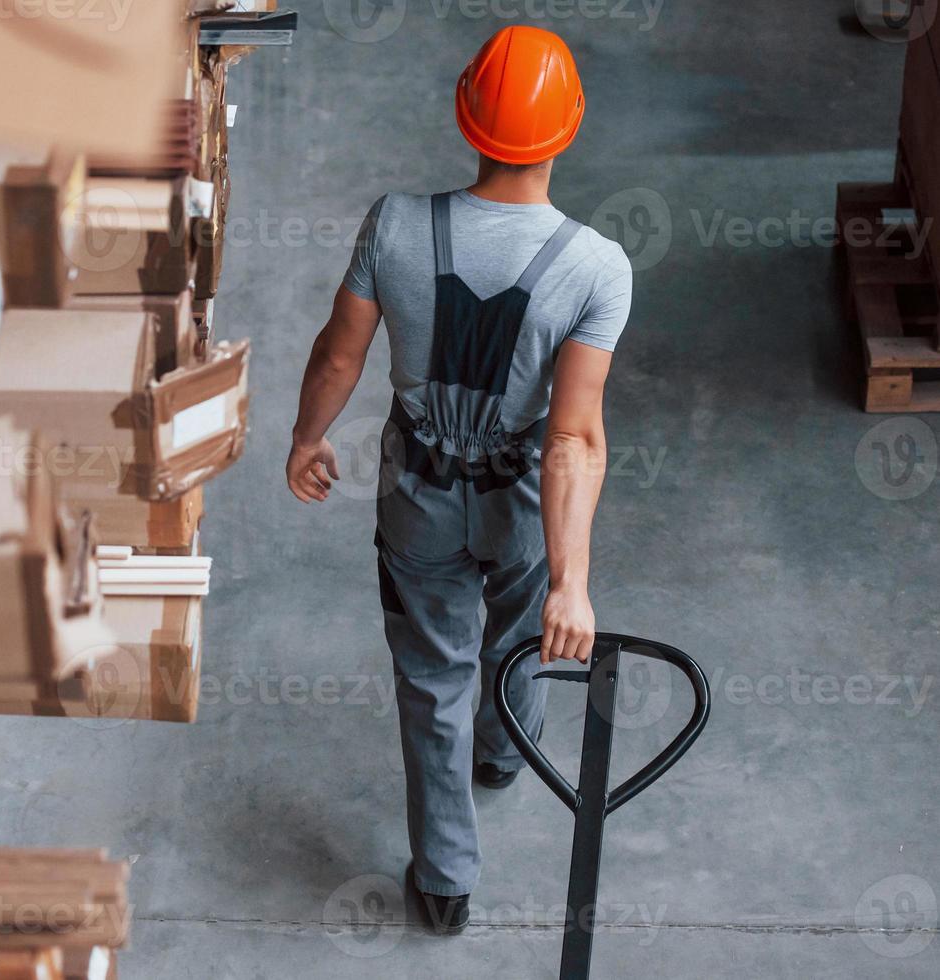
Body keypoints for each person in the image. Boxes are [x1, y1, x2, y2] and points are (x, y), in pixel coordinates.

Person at [285, 25, 633, 934]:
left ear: (465, 120)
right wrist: (572, 583)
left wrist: (307, 439)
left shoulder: (394, 223)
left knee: (431, 673)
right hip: (521, 497)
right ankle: (506, 752)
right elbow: (574, 435)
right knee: (518, 624)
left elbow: (337, 352)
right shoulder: (595, 268)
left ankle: (443, 880)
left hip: (416, 493)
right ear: (568, 131)